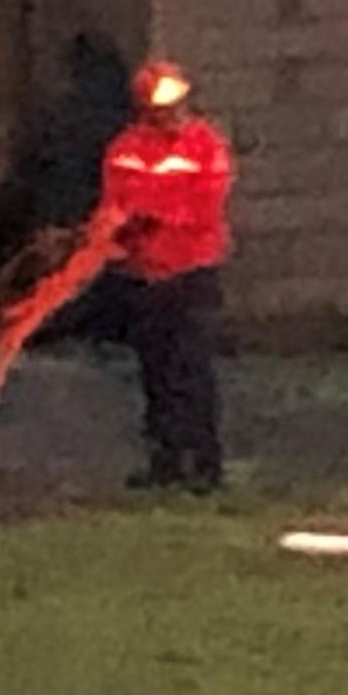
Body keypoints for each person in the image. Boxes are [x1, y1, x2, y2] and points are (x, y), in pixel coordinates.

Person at [98, 56, 236, 492]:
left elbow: (204, 207)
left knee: (193, 370)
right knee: (155, 374)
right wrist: (115, 235)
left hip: (192, 273)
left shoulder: (204, 145)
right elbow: (113, 204)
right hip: (144, 278)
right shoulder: (125, 150)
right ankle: (166, 461)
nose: (172, 111)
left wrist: (152, 218)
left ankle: (206, 465)